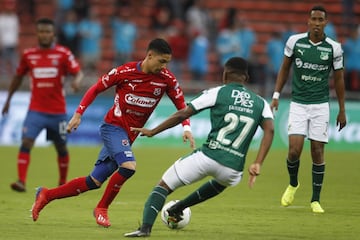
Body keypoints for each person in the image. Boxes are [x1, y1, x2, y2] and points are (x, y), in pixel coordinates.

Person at [31, 38, 195, 228]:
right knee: (128, 166)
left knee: (94, 181)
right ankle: (102, 208)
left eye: (167, 62)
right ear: (150, 55)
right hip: (113, 128)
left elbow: (182, 106)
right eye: (162, 61)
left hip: (128, 136)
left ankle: (46, 195)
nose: (164, 66)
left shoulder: (167, 79)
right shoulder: (124, 72)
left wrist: (186, 127)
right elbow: (96, 89)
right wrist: (78, 114)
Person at [124, 56, 274, 237]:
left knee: (163, 186)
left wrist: (153, 131)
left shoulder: (218, 92)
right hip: (233, 169)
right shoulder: (261, 103)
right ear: (247, 78)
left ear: (225, 75)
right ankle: (178, 208)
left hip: (209, 156)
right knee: (221, 181)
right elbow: (270, 131)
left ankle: (145, 229)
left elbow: (183, 113)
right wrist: (258, 162)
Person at [270, 5, 347, 214]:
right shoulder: (295, 42)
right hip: (298, 104)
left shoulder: (334, 48)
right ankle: (293, 184)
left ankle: (315, 200)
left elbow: (339, 79)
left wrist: (342, 109)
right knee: (294, 150)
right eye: (313, 19)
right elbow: (284, 68)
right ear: (308, 21)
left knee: (317, 151)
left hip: (321, 105)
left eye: (321, 20)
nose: (316, 23)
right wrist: (276, 95)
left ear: (326, 23)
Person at [1, 18, 84, 192]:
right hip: (36, 110)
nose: (44, 34)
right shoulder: (28, 55)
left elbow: (78, 73)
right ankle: (21, 181)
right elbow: (17, 78)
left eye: (48, 31)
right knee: (26, 141)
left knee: (61, 147)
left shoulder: (63, 53)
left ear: (53, 34)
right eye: (41, 31)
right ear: (37, 34)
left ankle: (62, 182)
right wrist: (8, 100)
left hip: (58, 111)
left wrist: (76, 82)